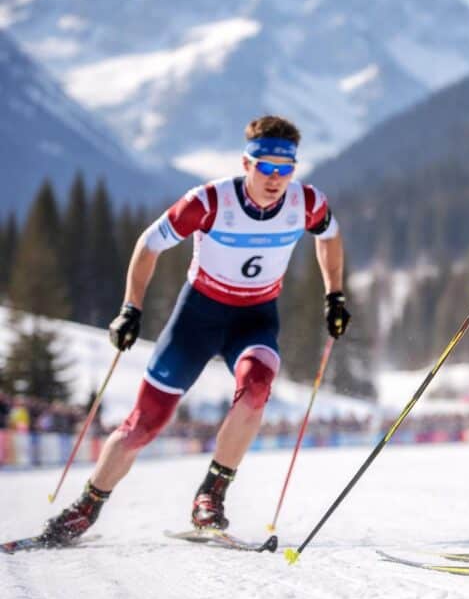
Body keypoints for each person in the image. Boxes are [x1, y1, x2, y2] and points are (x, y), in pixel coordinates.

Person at [40, 116, 351, 545]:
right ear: (247, 162)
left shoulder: (307, 202)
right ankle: (87, 507)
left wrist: (334, 295)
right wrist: (130, 308)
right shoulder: (208, 201)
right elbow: (149, 244)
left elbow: (330, 237)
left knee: (257, 386)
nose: (276, 178)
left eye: (286, 168)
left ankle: (211, 496)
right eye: (266, 167)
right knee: (144, 425)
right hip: (198, 317)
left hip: (256, 317)